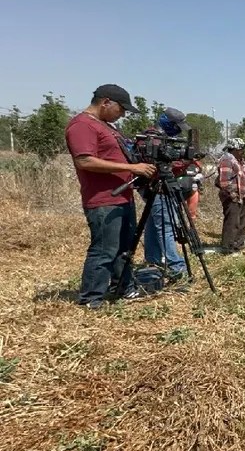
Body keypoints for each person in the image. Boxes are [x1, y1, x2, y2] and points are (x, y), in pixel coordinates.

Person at [65, 84, 156, 309]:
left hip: (122, 197)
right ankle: (91, 298)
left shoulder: (105, 126)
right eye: (121, 109)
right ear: (106, 102)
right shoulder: (82, 125)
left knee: (125, 248)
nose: (122, 114)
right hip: (103, 199)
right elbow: (84, 160)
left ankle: (123, 287)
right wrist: (133, 169)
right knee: (104, 249)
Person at [141, 108, 192, 280]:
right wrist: (182, 163)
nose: (179, 130)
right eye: (177, 126)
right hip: (157, 188)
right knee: (166, 226)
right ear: (167, 123)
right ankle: (176, 265)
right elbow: (157, 167)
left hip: (160, 188)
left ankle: (153, 259)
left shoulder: (163, 139)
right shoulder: (152, 139)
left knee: (153, 225)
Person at [216, 137, 245, 254]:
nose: (243, 151)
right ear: (234, 149)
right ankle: (228, 248)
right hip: (233, 196)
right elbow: (224, 182)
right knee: (232, 222)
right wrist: (233, 196)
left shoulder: (239, 160)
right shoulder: (226, 160)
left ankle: (238, 244)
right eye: (241, 149)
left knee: (242, 221)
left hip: (242, 195)